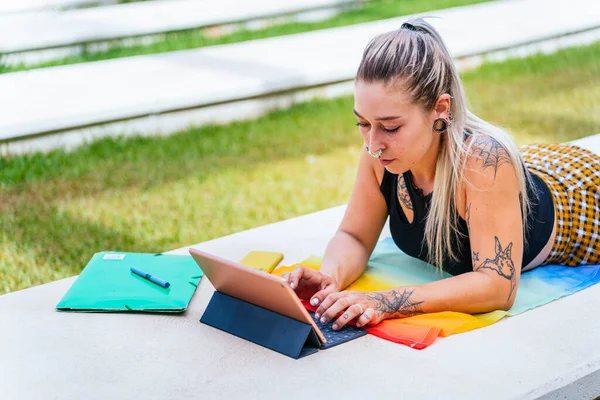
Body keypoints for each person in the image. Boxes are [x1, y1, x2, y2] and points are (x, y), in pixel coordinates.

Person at [283, 18, 600, 332]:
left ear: (440, 108)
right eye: (363, 123)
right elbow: (354, 236)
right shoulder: (378, 155)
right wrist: (330, 278)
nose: (373, 144)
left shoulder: (483, 164)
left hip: (584, 196)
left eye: (390, 127)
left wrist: (387, 301)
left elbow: (497, 287)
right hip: (531, 173)